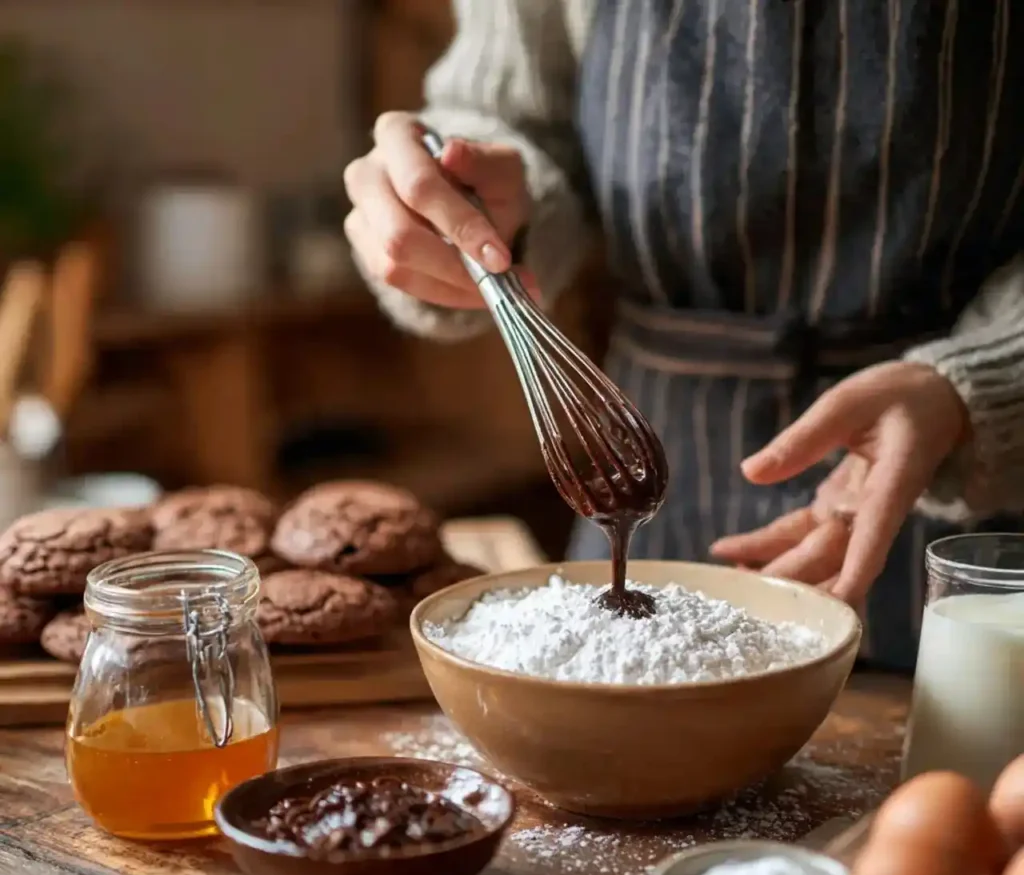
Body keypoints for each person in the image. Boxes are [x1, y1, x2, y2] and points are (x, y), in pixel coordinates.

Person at [344, 0, 1024, 671]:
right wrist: (467, 203)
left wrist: (976, 387)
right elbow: (512, 120)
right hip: (659, 442)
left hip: (974, 527)